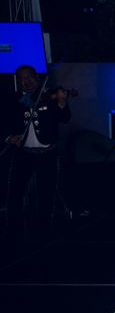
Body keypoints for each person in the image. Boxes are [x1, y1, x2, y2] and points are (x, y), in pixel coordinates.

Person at [3, 65, 70, 243]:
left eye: (30, 77)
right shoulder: (13, 100)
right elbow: (3, 124)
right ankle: (12, 231)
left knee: (47, 193)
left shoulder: (49, 97)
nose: (27, 82)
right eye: (22, 79)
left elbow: (64, 117)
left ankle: (45, 231)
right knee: (15, 193)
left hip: (47, 153)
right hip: (23, 153)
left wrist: (62, 102)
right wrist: (10, 138)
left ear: (37, 77)